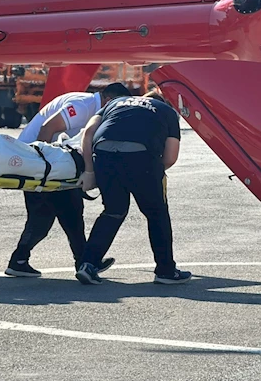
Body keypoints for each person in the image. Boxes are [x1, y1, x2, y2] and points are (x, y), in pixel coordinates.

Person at [5, 82, 133, 277]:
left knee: (44, 217)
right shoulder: (82, 106)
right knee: (69, 211)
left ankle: (20, 260)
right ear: (108, 100)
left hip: (46, 165)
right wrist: (44, 167)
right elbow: (47, 130)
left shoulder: (90, 107)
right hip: (36, 164)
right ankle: (84, 261)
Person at [75, 90, 191, 285]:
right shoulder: (167, 112)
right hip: (141, 157)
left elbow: (89, 132)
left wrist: (90, 171)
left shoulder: (115, 102)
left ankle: (87, 264)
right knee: (156, 213)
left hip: (103, 155)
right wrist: (150, 172)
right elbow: (170, 157)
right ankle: (165, 271)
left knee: (113, 211)